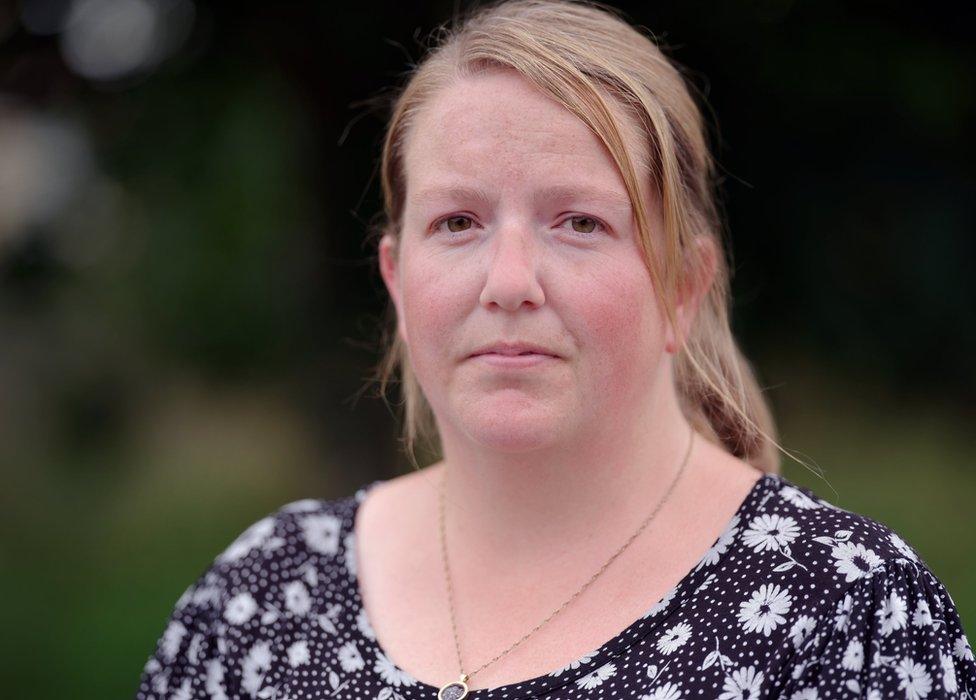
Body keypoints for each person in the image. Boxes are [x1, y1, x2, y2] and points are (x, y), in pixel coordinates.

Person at [133, 1, 976, 698]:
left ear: (683, 285)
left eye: (580, 222)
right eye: (456, 222)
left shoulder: (845, 613)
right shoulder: (261, 605)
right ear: (396, 277)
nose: (509, 281)